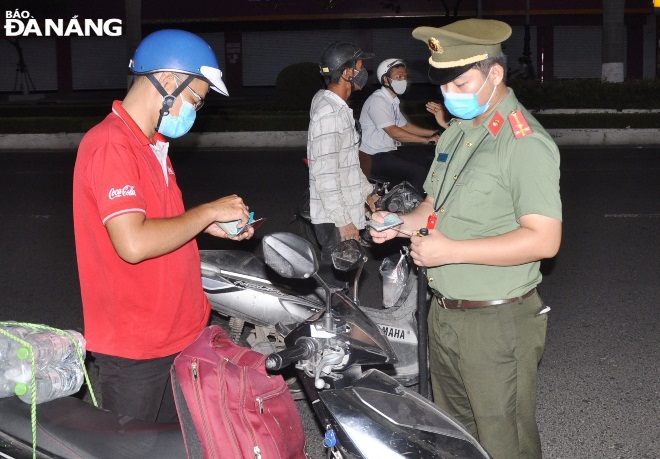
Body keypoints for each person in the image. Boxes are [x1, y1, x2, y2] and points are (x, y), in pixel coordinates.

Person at [369, 19, 562, 459]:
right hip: (446, 315)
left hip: (496, 324)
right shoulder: (459, 131)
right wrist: (398, 224)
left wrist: (451, 251)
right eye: (445, 84)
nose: (450, 94)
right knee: (456, 438)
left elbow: (544, 239)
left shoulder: (523, 143)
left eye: (461, 82)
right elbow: (434, 207)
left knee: (503, 443)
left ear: (495, 74)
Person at [73, 29, 254, 423]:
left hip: (177, 335)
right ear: (168, 81)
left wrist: (207, 227)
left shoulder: (152, 144)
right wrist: (207, 212)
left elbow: (154, 220)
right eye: (195, 99)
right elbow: (133, 242)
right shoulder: (111, 145)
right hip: (137, 348)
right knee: (132, 451)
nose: (194, 111)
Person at [307, 41, 379, 263]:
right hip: (334, 218)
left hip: (345, 208)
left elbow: (347, 163)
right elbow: (326, 175)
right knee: (336, 289)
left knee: (347, 283)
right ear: (348, 73)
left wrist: (367, 193)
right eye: (360, 66)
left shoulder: (337, 107)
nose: (363, 72)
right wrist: (343, 222)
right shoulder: (329, 114)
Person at [358, 58, 448, 193]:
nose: (403, 80)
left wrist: (433, 132)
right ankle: (412, 207)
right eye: (398, 77)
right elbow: (393, 131)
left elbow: (404, 126)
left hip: (387, 152)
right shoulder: (378, 101)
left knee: (427, 163)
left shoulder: (392, 100)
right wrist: (426, 140)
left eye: (404, 77)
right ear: (386, 80)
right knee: (419, 171)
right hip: (373, 157)